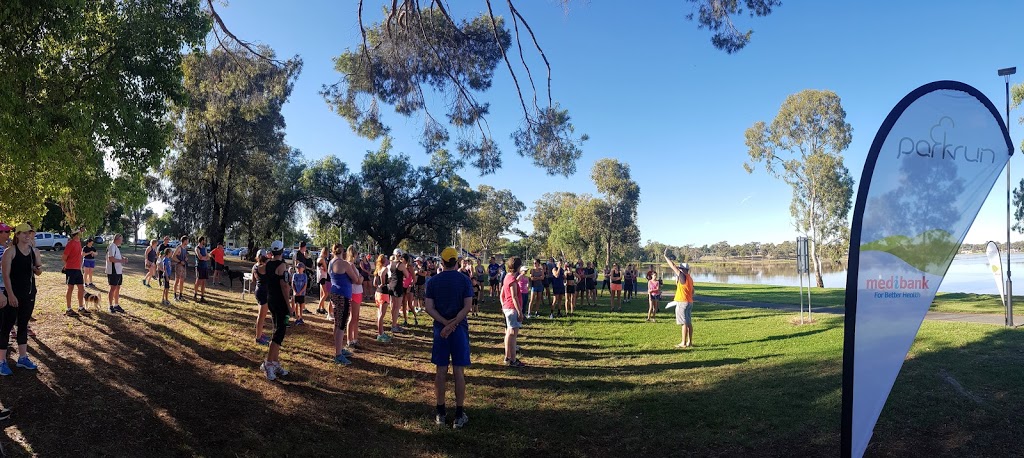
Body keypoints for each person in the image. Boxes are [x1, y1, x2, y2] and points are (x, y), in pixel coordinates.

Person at [424, 247, 474, 428]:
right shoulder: (464, 280)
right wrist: (453, 324)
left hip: (441, 330)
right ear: (457, 261)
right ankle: (459, 414)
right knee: (459, 371)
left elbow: (429, 307)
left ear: (442, 262)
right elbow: (467, 307)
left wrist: (445, 324)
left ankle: (441, 412)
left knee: (441, 371)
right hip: (459, 329)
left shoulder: (433, 281)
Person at [0, 222, 41, 375]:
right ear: (17, 235)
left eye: (28, 233)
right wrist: (10, 294)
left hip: (29, 294)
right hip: (13, 295)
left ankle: (22, 358)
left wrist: (37, 263)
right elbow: (5, 275)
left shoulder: (32, 251)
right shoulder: (9, 252)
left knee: (23, 325)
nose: (27, 235)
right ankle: (2, 361)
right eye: (23, 233)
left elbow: (38, 271)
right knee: (6, 326)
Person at [259, 242, 291, 380]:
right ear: (282, 251)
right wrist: (289, 306)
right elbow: (285, 287)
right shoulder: (282, 266)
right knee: (278, 332)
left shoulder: (267, 265)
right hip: (279, 302)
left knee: (279, 330)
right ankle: (268, 363)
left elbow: (259, 269)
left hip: (270, 299)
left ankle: (274, 362)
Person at [329, 244, 361, 365]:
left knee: (337, 322)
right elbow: (356, 279)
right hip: (343, 295)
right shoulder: (344, 264)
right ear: (342, 252)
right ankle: (338, 354)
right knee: (341, 324)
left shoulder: (331, 262)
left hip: (334, 293)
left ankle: (339, 348)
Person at [664, 249, 694, 348]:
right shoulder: (689, 278)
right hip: (689, 302)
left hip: (682, 302)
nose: (679, 269)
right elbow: (692, 291)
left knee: (683, 323)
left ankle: (683, 343)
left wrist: (665, 257)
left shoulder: (682, 275)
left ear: (683, 269)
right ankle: (690, 342)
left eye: (680, 268)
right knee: (689, 322)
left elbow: (673, 266)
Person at [500, 256, 525, 367]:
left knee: (509, 333)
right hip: (512, 309)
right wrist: (519, 311)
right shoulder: (512, 280)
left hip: (507, 307)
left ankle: (507, 356)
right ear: (518, 267)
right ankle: (513, 360)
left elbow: (502, 295)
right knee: (513, 334)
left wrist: (503, 306)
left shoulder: (507, 277)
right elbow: (514, 297)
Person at [62, 227, 86, 315]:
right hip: (71, 269)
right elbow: (64, 257)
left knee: (81, 288)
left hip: (77, 269)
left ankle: (81, 307)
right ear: (76, 234)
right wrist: (67, 265)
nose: (81, 233)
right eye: (80, 232)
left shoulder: (79, 243)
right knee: (70, 288)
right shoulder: (70, 244)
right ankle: (68, 309)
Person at [346, 246, 364, 349]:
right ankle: (349, 340)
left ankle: (355, 338)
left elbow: (359, 279)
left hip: (358, 292)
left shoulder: (353, 265)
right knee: (352, 317)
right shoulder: (350, 265)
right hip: (354, 292)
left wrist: (360, 278)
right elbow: (357, 280)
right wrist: (360, 278)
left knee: (356, 318)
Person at [373, 254, 395, 342]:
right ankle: (380, 334)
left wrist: (379, 285)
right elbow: (382, 275)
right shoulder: (384, 269)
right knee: (382, 315)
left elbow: (374, 283)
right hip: (383, 292)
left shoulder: (377, 269)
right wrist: (383, 283)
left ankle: (381, 332)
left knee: (379, 314)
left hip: (377, 292)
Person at [252, 250, 271, 345]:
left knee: (261, 315)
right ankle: (258, 337)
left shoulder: (255, 266)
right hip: (263, 292)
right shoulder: (264, 267)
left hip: (258, 290)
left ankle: (260, 333)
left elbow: (253, 280)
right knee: (261, 316)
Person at [105, 234, 126, 313]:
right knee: (113, 288)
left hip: (118, 270)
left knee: (118, 287)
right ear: (117, 239)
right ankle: (110, 306)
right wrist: (121, 260)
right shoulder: (112, 246)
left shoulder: (116, 247)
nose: (122, 241)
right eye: (121, 239)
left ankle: (116, 305)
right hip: (113, 271)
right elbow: (111, 259)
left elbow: (117, 257)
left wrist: (122, 258)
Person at [172, 236, 190, 302]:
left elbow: (185, 256)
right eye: (187, 240)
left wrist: (186, 259)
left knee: (182, 281)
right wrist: (179, 261)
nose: (188, 242)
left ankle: (180, 295)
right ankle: (174, 295)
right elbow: (173, 256)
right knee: (177, 280)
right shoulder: (179, 248)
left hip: (183, 266)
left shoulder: (185, 248)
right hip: (178, 266)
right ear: (184, 241)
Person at [193, 237, 210, 303]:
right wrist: (204, 258)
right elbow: (200, 257)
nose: (205, 241)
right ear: (202, 241)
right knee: (198, 281)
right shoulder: (197, 248)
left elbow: (208, 257)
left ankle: (202, 297)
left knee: (204, 282)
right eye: (204, 240)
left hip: (205, 266)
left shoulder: (204, 248)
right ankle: (195, 295)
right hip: (199, 266)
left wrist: (205, 258)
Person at [316, 247, 331, 315]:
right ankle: (319, 308)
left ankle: (322, 308)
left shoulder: (318, 258)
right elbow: (326, 269)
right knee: (326, 293)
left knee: (322, 294)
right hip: (323, 277)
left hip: (320, 277)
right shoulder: (322, 259)